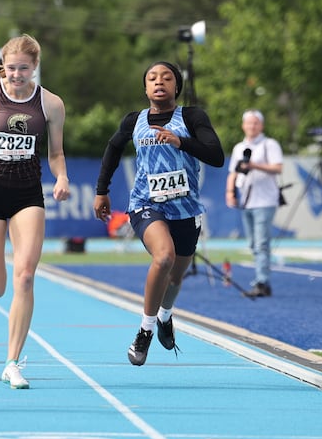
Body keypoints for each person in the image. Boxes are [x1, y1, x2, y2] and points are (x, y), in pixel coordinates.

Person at [0, 34, 71, 389]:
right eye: (10, 68)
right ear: (1, 66)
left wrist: (62, 175)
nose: (16, 75)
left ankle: (12, 362)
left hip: (28, 196)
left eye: (23, 68)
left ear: (35, 67)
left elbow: (55, 153)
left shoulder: (51, 104)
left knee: (25, 276)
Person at [93, 61, 224, 366]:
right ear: (145, 88)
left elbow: (216, 156)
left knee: (176, 277)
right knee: (163, 258)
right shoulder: (134, 121)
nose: (159, 82)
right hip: (146, 205)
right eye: (152, 78)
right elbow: (112, 149)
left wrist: (181, 141)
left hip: (186, 208)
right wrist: (102, 190)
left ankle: (165, 316)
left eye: (166, 77)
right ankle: (145, 330)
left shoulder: (192, 117)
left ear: (176, 86)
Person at [225, 109, 283, 298]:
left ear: (261, 125)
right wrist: (230, 191)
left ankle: (262, 282)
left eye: (255, 123)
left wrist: (253, 165)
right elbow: (233, 172)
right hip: (247, 200)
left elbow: (278, 167)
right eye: (249, 123)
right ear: (243, 125)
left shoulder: (269, 144)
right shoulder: (238, 147)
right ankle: (261, 279)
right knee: (252, 243)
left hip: (265, 200)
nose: (252, 126)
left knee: (261, 243)